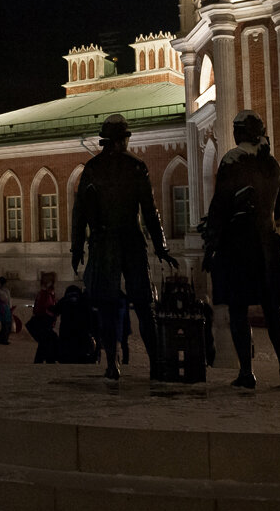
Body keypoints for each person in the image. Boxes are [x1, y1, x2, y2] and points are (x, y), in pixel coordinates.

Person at [72, 114, 178, 380]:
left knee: (108, 307)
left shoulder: (92, 169)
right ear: (121, 140)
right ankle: (155, 364)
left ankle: (111, 364)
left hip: (104, 242)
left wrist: (76, 248)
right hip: (131, 240)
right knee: (144, 306)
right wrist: (161, 246)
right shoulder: (136, 167)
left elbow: (79, 213)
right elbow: (150, 212)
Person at [201, 110, 280, 390]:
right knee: (273, 310)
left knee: (238, 311)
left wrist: (211, 246)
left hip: (238, 247)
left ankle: (247, 372)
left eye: (236, 129)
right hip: (268, 245)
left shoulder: (232, 162)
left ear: (241, 133)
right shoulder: (272, 165)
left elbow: (219, 208)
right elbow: (279, 210)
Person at [53, 285, 98, 363]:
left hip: (66, 331)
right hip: (82, 333)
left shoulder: (64, 301)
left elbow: (55, 310)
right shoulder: (83, 301)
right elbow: (90, 316)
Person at [27, 272, 59, 364]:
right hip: (43, 323)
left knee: (47, 343)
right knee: (47, 342)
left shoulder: (47, 294)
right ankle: (48, 361)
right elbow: (42, 309)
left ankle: (48, 361)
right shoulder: (45, 294)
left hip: (45, 323)